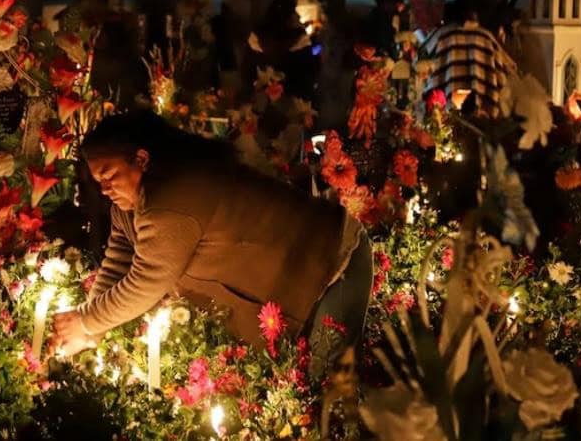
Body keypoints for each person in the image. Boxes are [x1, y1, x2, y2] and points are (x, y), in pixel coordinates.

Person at [53, 110, 372, 376]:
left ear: (141, 159)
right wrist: (89, 325)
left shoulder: (173, 198)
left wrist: (85, 320)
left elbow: (147, 281)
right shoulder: (132, 205)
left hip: (332, 263)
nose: (105, 188)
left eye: (109, 175)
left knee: (326, 388)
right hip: (302, 271)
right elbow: (120, 259)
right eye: (99, 182)